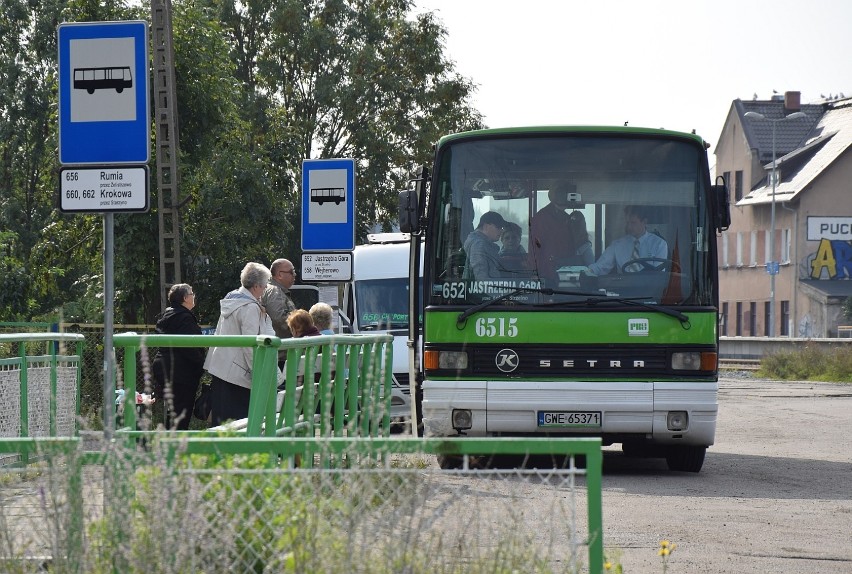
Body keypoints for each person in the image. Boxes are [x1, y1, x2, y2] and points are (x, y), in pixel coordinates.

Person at [204, 262, 275, 425]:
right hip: (238, 372)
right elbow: (249, 345)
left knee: (222, 422)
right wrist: (257, 371)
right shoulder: (249, 307)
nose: (264, 290)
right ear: (257, 286)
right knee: (240, 422)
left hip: (221, 368)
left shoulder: (232, 299)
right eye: (264, 286)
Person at [151, 283, 206, 430]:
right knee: (181, 412)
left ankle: (171, 444)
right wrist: (203, 364)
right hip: (180, 372)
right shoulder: (184, 318)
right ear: (185, 298)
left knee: (173, 410)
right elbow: (189, 347)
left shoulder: (168, 315)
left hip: (166, 368)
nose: (194, 296)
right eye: (192, 293)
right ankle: (176, 447)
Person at [586, 206, 668, 276]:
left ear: (644, 222)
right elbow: (600, 267)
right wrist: (585, 272)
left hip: (650, 292)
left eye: (633, 223)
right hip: (623, 292)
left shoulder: (659, 244)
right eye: (627, 222)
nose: (629, 227)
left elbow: (658, 276)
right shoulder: (617, 245)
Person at [529, 182, 577, 284]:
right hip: (547, 274)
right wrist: (535, 272)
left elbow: (571, 247)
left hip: (567, 274)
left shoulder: (567, 218)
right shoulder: (541, 219)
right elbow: (535, 247)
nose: (565, 196)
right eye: (562, 193)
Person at [261, 258, 298, 367]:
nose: (294, 275)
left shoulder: (276, 291)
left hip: (279, 353)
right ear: (280, 274)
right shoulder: (274, 291)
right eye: (292, 272)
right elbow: (278, 318)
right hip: (279, 355)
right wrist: (301, 327)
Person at [463, 211, 508, 280]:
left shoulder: (476, 242)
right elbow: (481, 277)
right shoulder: (479, 245)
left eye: (502, 228)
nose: (501, 231)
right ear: (486, 226)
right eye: (498, 227)